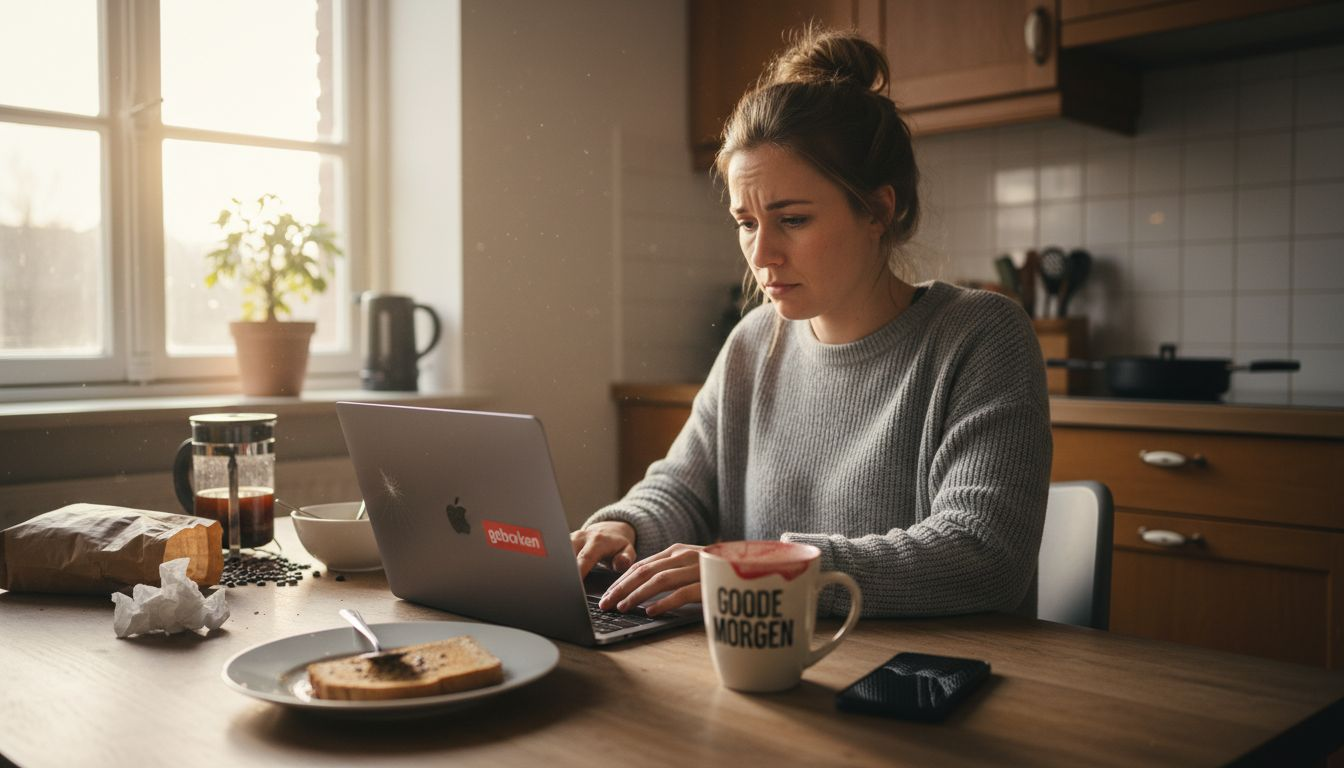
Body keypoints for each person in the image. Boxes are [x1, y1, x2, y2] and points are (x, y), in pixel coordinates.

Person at [571, 28, 1051, 619]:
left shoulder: (980, 336)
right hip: (776, 673)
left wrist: (763, 570)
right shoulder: (753, 342)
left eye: (792, 219)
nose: (761, 253)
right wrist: (624, 525)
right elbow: (683, 487)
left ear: (878, 209)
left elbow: (984, 556)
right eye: (746, 222)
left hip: (920, 685)